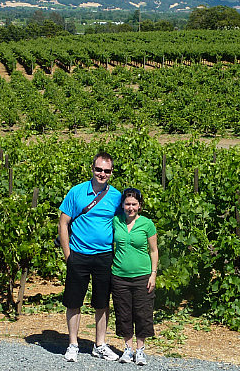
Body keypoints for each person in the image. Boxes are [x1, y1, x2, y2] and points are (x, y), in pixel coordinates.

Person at [58, 151, 122, 362]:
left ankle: (100, 344)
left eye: (106, 171)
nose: (102, 174)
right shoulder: (76, 192)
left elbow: (123, 225)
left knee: (102, 302)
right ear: (92, 169)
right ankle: (73, 344)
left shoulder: (116, 196)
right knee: (74, 302)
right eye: (98, 169)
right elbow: (63, 223)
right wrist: (68, 255)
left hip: (104, 256)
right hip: (79, 255)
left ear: (111, 172)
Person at [111, 187, 158, 365]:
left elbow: (154, 251)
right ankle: (127, 349)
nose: (130, 207)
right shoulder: (116, 221)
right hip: (119, 276)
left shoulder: (147, 224)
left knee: (142, 314)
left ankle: (140, 350)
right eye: (127, 204)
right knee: (123, 314)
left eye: (134, 204)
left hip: (142, 276)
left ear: (139, 206)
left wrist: (153, 274)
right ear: (122, 205)